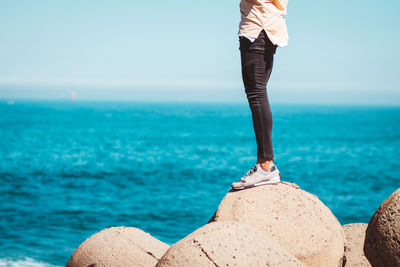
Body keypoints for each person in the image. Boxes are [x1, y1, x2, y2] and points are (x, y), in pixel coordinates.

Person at [231, 0, 289, 190]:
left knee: (256, 94)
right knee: (258, 93)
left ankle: (265, 167)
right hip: (268, 26)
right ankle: (266, 165)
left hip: (257, 27)